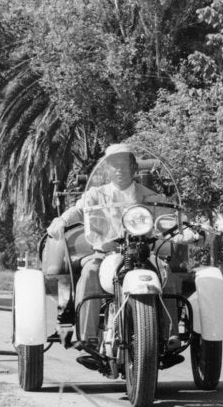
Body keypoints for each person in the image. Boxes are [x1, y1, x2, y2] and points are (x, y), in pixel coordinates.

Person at [46, 144, 169, 348]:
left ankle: (169, 335)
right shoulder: (96, 194)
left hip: (143, 253)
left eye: (124, 164)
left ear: (134, 167)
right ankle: (88, 337)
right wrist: (61, 220)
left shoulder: (150, 196)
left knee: (166, 272)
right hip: (107, 253)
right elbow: (78, 210)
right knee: (90, 272)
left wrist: (183, 229)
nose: (119, 169)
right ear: (107, 169)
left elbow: (165, 218)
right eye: (114, 165)